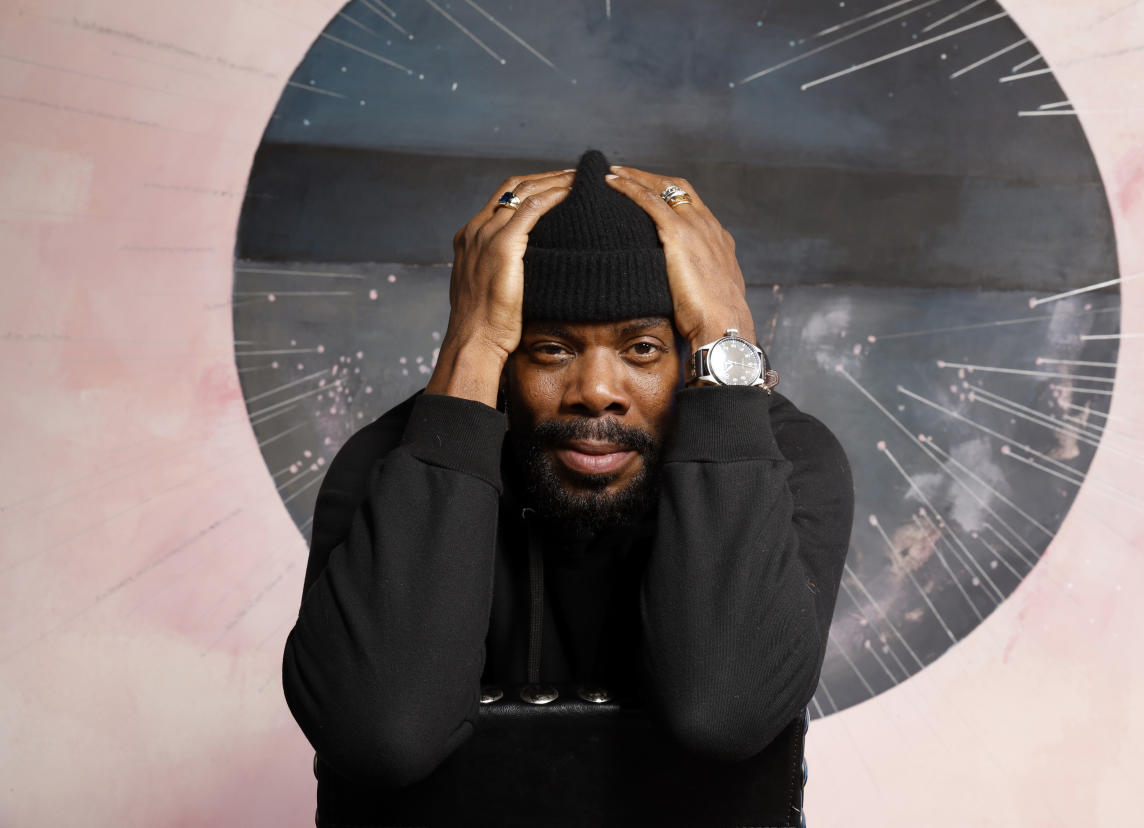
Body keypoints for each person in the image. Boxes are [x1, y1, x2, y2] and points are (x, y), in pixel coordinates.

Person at [281, 150, 854, 802]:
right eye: (550, 349)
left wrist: (725, 339)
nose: (596, 391)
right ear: (504, 360)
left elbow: (724, 712)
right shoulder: (396, 460)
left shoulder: (782, 457)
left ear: (687, 354)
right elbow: (380, 735)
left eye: (642, 348)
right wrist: (467, 354)